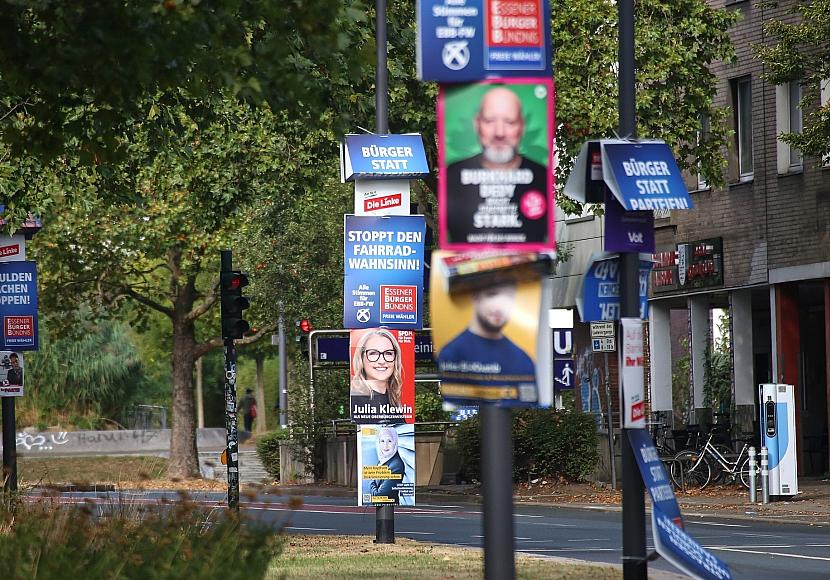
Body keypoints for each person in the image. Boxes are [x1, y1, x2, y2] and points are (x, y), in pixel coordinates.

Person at [445, 86, 549, 245]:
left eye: (510, 122)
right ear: (477, 124)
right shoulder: (452, 176)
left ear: (522, 126)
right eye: (489, 121)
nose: (499, 133)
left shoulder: (542, 177)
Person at [437, 280, 536, 400]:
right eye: (492, 294)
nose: (500, 306)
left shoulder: (524, 360)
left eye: (508, 297)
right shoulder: (452, 353)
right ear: (475, 297)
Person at [350, 329, 405, 421]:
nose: (382, 361)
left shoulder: (392, 398)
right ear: (361, 359)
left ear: (396, 359)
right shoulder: (356, 398)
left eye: (388, 353)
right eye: (373, 353)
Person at [369, 426, 406, 504]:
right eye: (382, 441)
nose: (385, 445)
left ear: (395, 442)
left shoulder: (396, 465)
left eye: (389, 441)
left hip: (389, 505)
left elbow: (379, 495)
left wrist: (372, 481)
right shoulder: (383, 460)